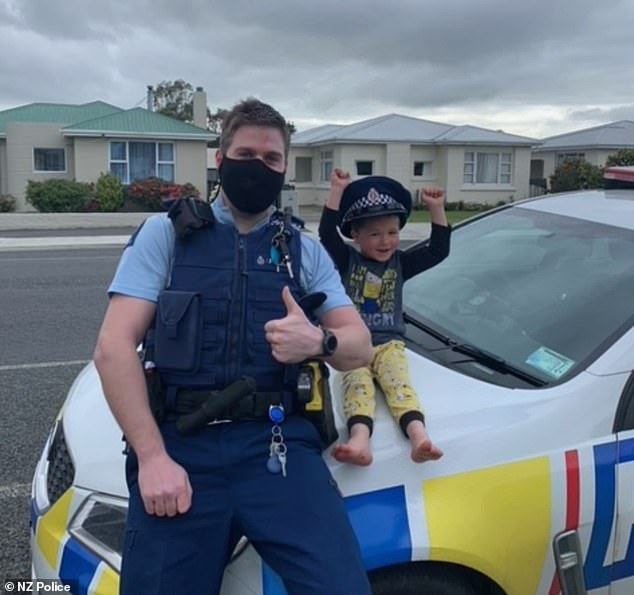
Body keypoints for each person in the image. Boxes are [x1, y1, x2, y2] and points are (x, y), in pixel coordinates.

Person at [93, 99, 374, 595]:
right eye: (245, 154)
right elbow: (114, 347)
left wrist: (318, 340)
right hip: (182, 445)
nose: (257, 167)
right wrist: (153, 458)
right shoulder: (167, 236)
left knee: (341, 586)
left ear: (285, 168)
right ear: (219, 160)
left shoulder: (302, 250)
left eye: (271, 159)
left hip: (275, 447)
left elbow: (359, 346)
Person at [318, 168, 450, 466]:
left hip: (390, 343)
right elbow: (327, 232)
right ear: (355, 234)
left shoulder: (400, 263)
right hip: (354, 346)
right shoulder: (347, 260)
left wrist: (437, 209)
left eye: (392, 233)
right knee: (357, 387)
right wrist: (338, 189)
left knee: (399, 385)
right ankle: (359, 442)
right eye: (375, 234)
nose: (386, 241)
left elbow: (438, 252)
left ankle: (419, 438)